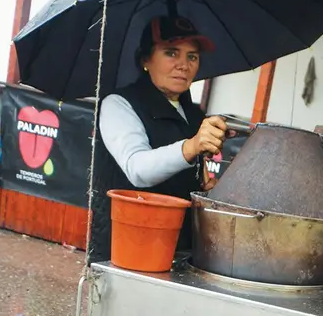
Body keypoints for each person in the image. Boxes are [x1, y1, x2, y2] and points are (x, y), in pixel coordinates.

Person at [89, 15, 229, 264]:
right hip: (126, 250)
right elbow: (137, 169)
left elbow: (186, 174)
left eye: (192, 56)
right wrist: (192, 146)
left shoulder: (194, 115)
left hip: (179, 250)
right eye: (171, 53)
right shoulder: (119, 105)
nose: (184, 65)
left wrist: (203, 187)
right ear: (145, 59)